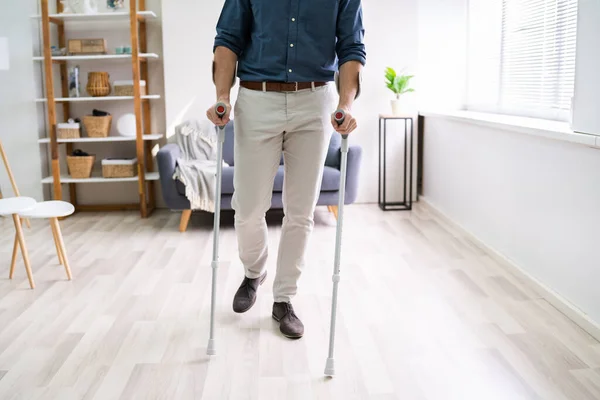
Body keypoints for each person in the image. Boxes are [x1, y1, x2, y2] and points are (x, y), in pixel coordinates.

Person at [207, 0, 366, 339]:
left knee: (301, 211)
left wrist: (346, 104)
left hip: (314, 101)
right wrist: (223, 95)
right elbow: (228, 39)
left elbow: (351, 46)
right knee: (247, 210)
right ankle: (255, 271)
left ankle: (284, 299)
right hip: (256, 98)